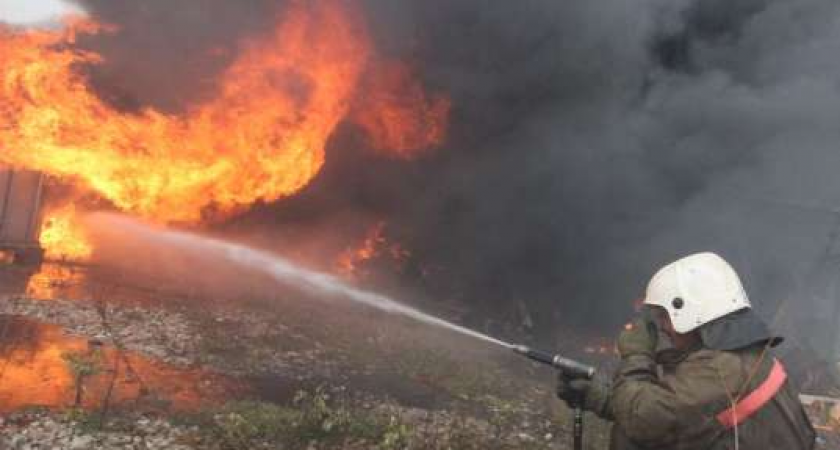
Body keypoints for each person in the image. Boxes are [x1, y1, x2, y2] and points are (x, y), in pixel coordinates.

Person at [557, 252, 816, 450]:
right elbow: (685, 414)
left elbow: (645, 421)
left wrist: (637, 355)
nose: (664, 328)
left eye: (666, 317)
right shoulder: (741, 354)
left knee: (631, 438)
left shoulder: (721, 370)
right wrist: (604, 398)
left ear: (691, 313)